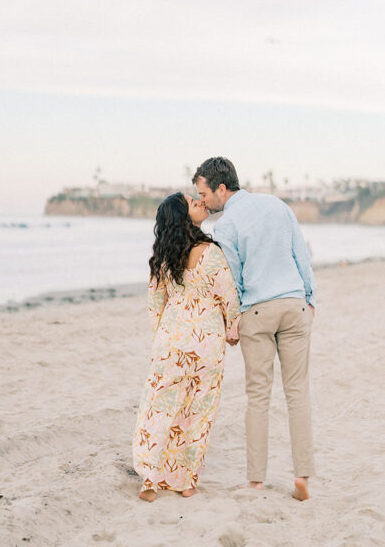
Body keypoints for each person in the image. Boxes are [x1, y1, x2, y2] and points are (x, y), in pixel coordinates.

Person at [193, 156, 316, 501]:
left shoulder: (225, 226)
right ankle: (302, 476)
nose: (202, 201)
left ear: (221, 187)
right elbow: (300, 255)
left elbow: (232, 278)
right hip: (293, 304)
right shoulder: (276, 205)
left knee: (258, 398)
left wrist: (232, 321)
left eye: (203, 193)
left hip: (257, 312)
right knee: (298, 394)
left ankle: (256, 481)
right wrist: (311, 298)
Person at [132, 192, 240, 502]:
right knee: (198, 411)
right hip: (206, 342)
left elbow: (155, 304)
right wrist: (233, 329)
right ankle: (186, 481)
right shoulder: (211, 253)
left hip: (171, 339)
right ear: (184, 215)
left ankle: (150, 479)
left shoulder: (162, 258)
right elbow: (229, 298)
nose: (199, 201)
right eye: (192, 201)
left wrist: (161, 341)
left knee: (158, 408)